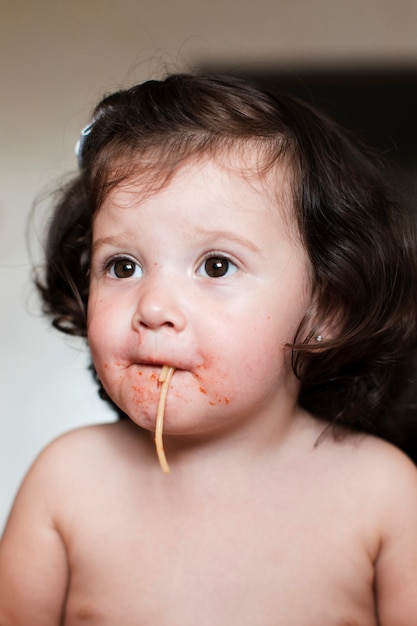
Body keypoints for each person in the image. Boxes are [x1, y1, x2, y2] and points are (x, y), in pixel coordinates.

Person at [1, 73, 417, 626]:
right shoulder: (67, 483)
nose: (153, 306)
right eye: (122, 266)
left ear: (325, 310)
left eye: (216, 265)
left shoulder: (383, 497)